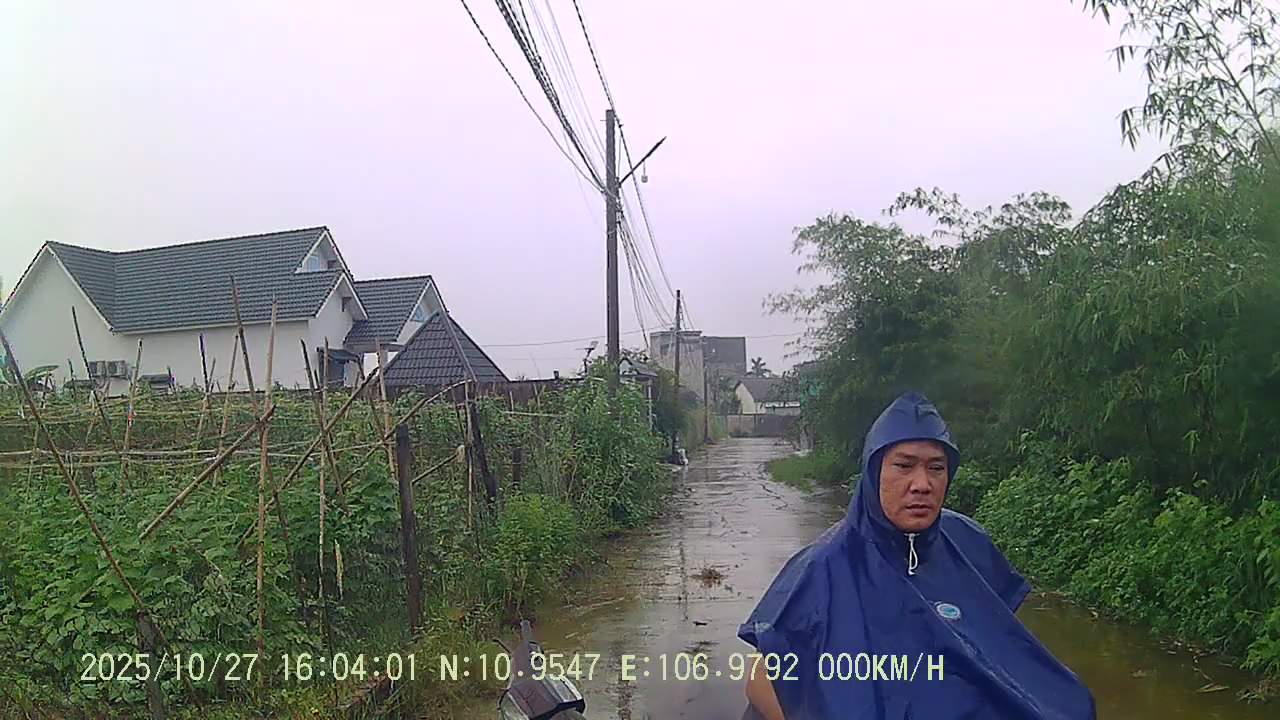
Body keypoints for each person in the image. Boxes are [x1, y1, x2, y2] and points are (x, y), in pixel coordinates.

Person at [738, 391, 1095, 720]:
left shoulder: (967, 542)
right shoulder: (821, 568)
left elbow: (1001, 648)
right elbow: (761, 682)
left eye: (936, 468)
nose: (922, 484)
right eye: (904, 466)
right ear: (874, 473)